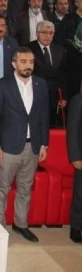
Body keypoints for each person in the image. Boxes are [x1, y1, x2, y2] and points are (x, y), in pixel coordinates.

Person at [0, 47, 49, 243]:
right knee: (3, 188)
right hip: (9, 146)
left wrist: (44, 144)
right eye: (23, 62)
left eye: (31, 62)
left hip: (33, 146)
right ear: (14, 64)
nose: (28, 66)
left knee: (25, 187)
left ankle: (21, 224)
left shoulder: (41, 84)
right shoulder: (3, 85)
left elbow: (44, 116)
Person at [67, 93, 82, 243]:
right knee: (80, 194)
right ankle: (76, 227)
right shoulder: (78, 100)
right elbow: (72, 130)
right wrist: (75, 156)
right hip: (81, 156)